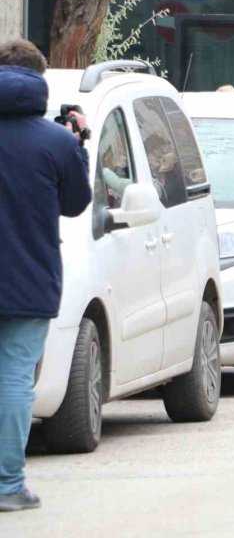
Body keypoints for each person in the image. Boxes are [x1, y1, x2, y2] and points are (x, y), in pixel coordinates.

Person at [0, 40, 92, 512]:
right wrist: (78, 148)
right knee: (15, 376)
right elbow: (77, 203)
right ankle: (7, 484)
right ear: (39, 81)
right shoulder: (55, 141)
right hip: (28, 277)